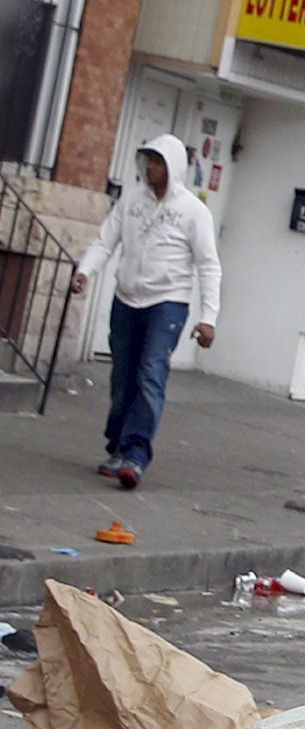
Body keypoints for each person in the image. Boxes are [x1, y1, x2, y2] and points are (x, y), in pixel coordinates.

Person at [70, 134, 221, 490]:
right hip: (127, 298)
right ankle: (118, 444)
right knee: (122, 377)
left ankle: (136, 455)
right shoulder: (131, 201)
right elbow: (106, 240)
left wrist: (208, 317)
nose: (150, 168)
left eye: (157, 162)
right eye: (147, 161)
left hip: (167, 303)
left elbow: (208, 265)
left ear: (172, 166)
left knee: (150, 374)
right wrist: (84, 271)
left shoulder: (193, 211)